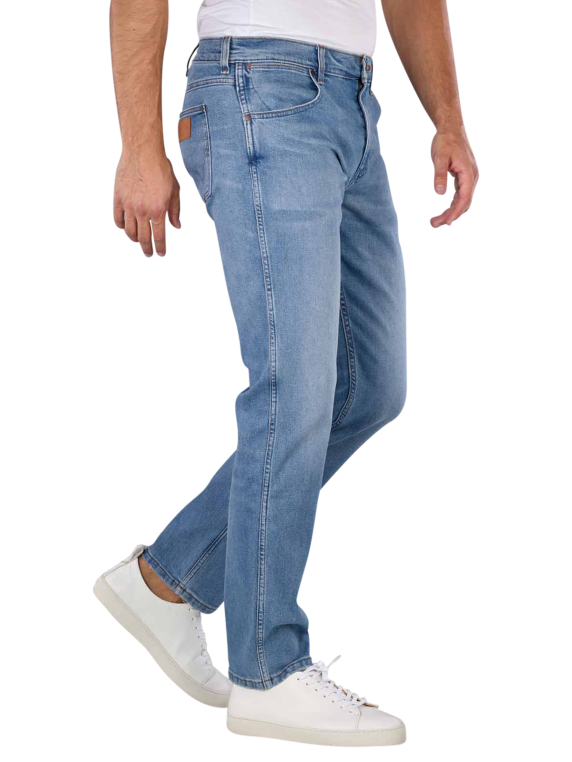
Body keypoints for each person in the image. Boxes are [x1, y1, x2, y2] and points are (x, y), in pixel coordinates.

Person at [97, 0, 478, 748]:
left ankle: (166, 581)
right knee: (292, 389)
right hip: (258, 83)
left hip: (354, 101)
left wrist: (448, 117)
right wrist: (139, 146)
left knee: (370, 387)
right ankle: (266, 670)